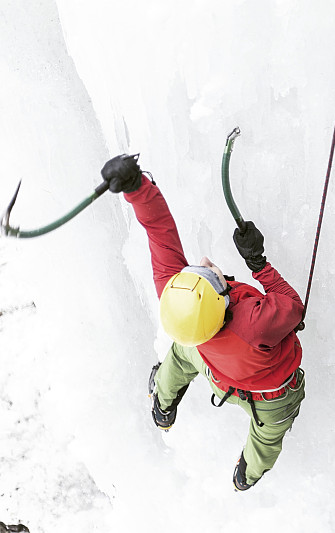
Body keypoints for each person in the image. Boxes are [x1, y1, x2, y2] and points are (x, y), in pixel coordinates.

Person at [101, 153, 305, 491]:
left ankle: (162, 406)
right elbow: (293, 307)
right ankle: (247, 476)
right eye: (213, 275)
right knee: (266, 441)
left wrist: (136, 188)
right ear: (223, 303)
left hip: (217, 373)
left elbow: (159, 230)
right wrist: (258, 263)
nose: (207, 262)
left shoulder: (176, 292)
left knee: (182, 352)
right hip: (272, 397)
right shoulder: (254, 322)